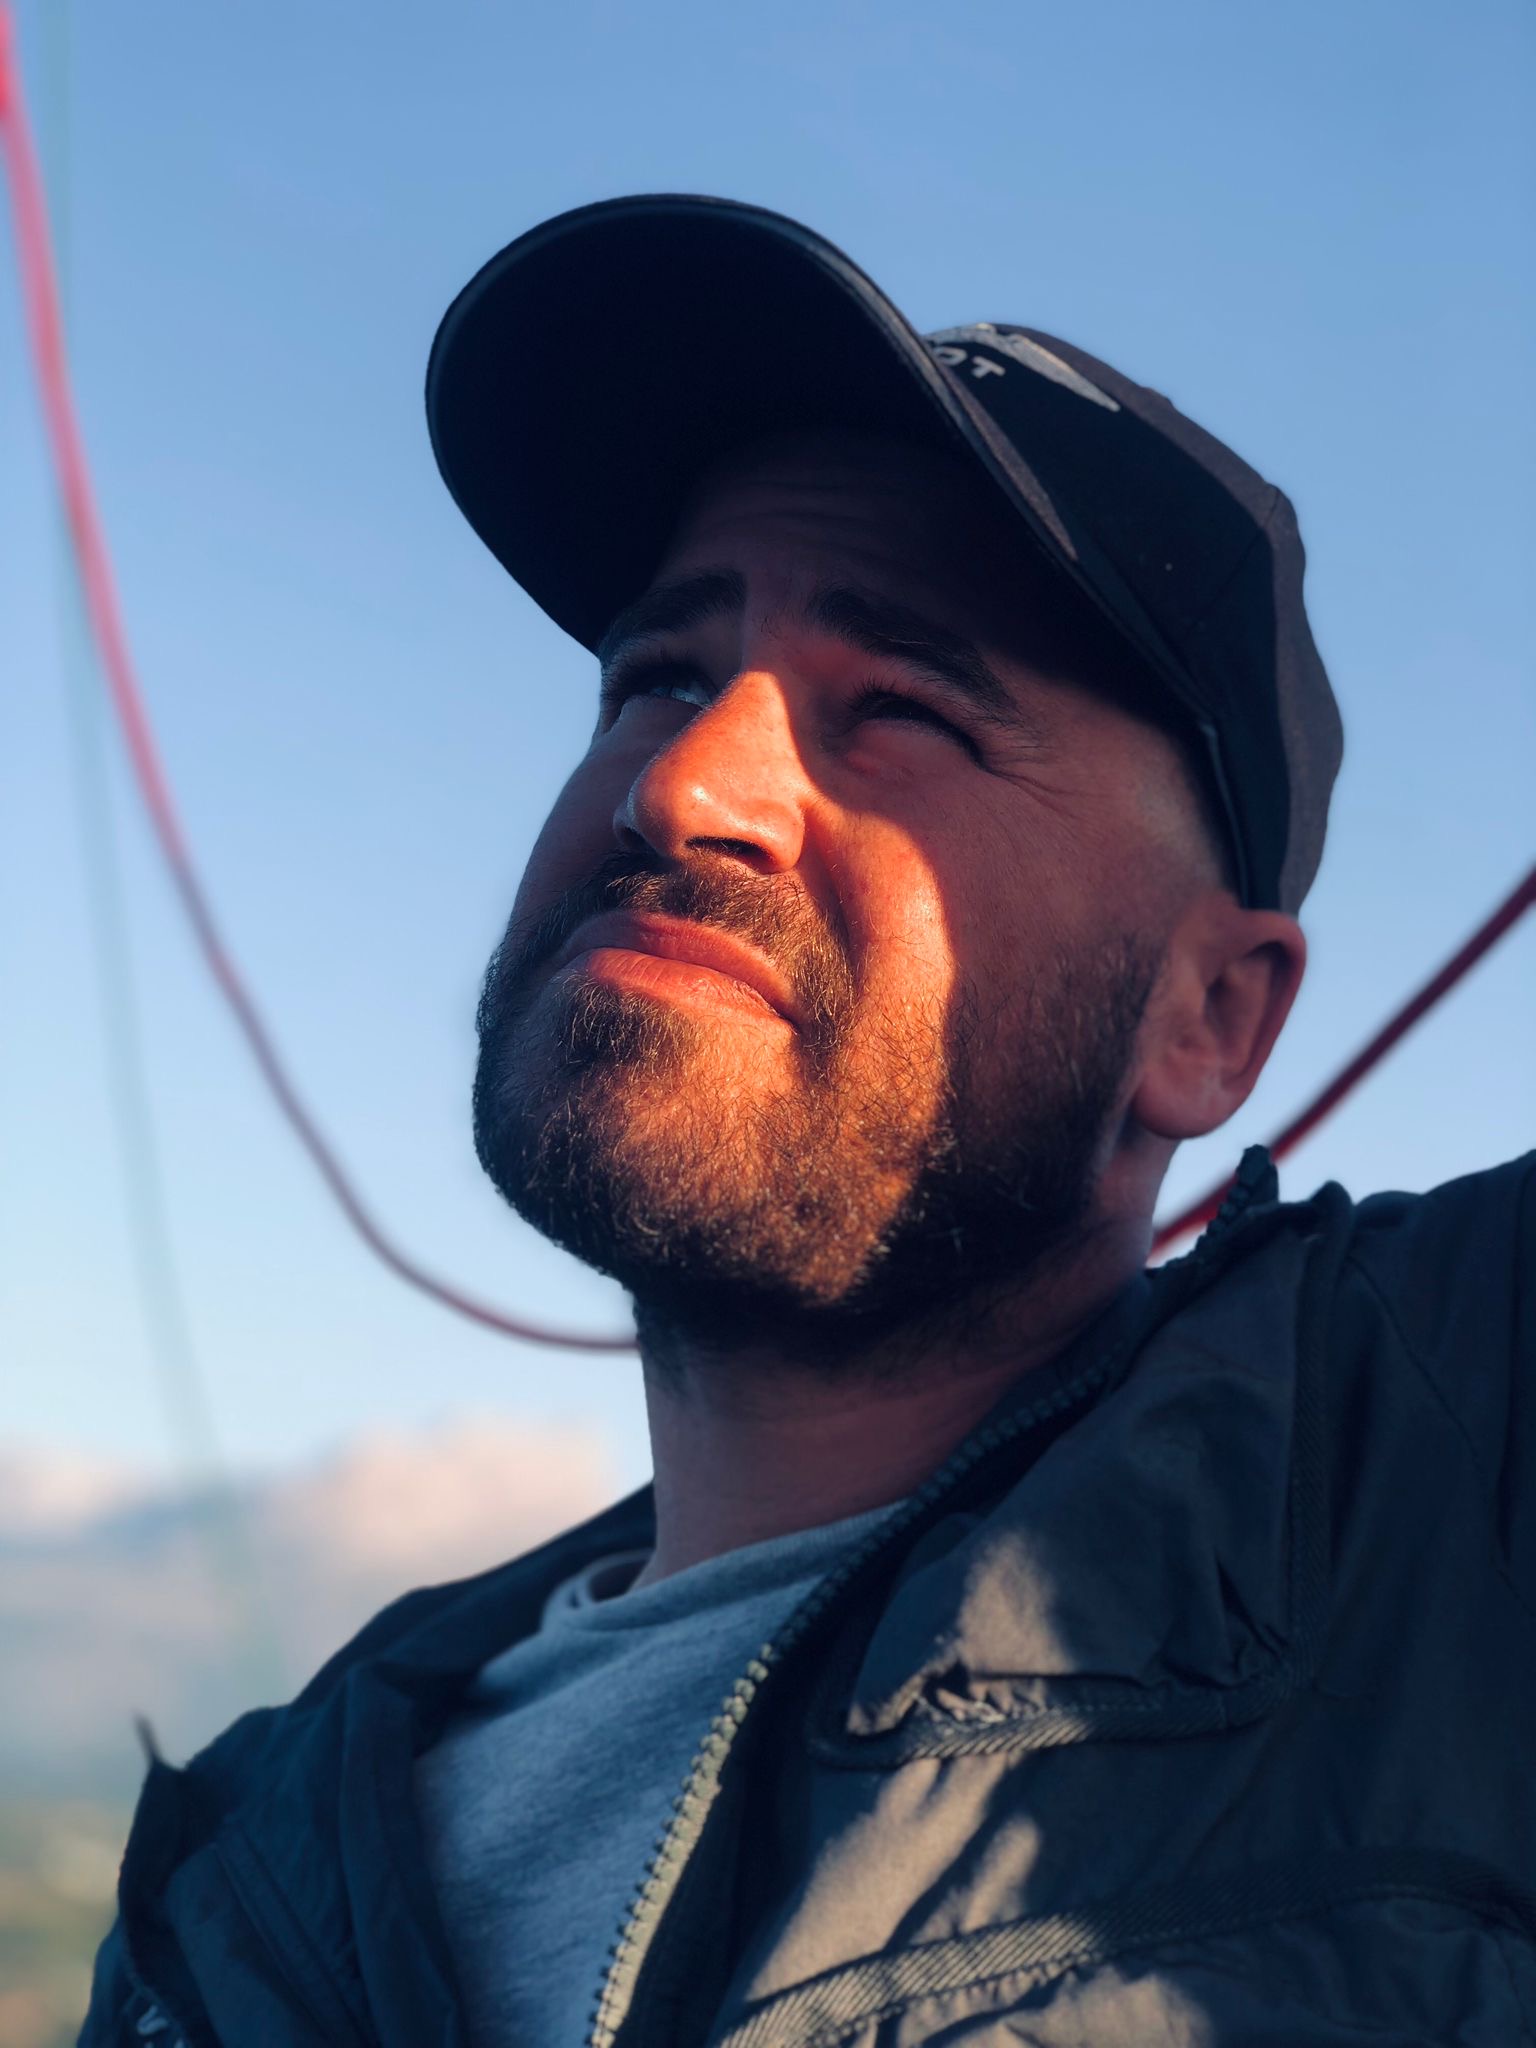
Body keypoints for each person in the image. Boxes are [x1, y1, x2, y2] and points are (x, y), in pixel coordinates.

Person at [80, 197, 1534, 2048]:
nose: (686, 785)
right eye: (658, 679)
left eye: (904, 711)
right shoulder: (226, 1878)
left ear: (1210, 1018)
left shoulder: (1446, 1481)